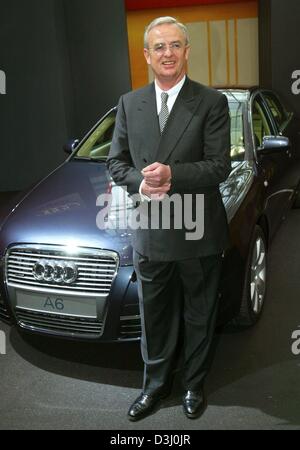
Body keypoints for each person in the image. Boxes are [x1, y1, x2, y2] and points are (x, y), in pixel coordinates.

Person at [107, 16, 231, 421]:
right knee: (155, 318)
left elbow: (218, 167)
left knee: (199, 313)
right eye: (158, 47)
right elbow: (116, 162)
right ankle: (155, 387)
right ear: (146, 55)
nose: (167, 53)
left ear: (187, 51)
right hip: (151, 233)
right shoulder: (129, 103)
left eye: (175, 45)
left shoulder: (211, 102)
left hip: (198, 231)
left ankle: (193, 384)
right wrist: (141, 186)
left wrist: (172, 174)